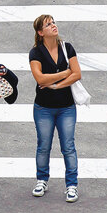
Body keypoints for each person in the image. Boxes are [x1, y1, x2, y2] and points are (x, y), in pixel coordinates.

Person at [28, 15, 81, 202]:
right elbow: (40, 79)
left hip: (66, 107)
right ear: (41, 32)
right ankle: (42, 180)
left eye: (53, 22)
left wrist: (57, 84)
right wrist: (65, 72)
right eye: (48, 24)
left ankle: (72, 185)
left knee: (68, 146)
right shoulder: (36, 52)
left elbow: (77, 74)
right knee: (43, 146)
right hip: (43, 108)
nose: (53, 26)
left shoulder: (67, 48)